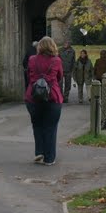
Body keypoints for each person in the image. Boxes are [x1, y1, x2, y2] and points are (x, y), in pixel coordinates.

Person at [24, 35, 64, 165]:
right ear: (53, 47)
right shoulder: (56, 61)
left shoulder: (32, 59)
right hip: (52, 97)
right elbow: (59, 76)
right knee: (51, 127)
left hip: (33, 97)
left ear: (39, 47)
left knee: (37, 125)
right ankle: (49, 158)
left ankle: (39, 152)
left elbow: (29, 75)